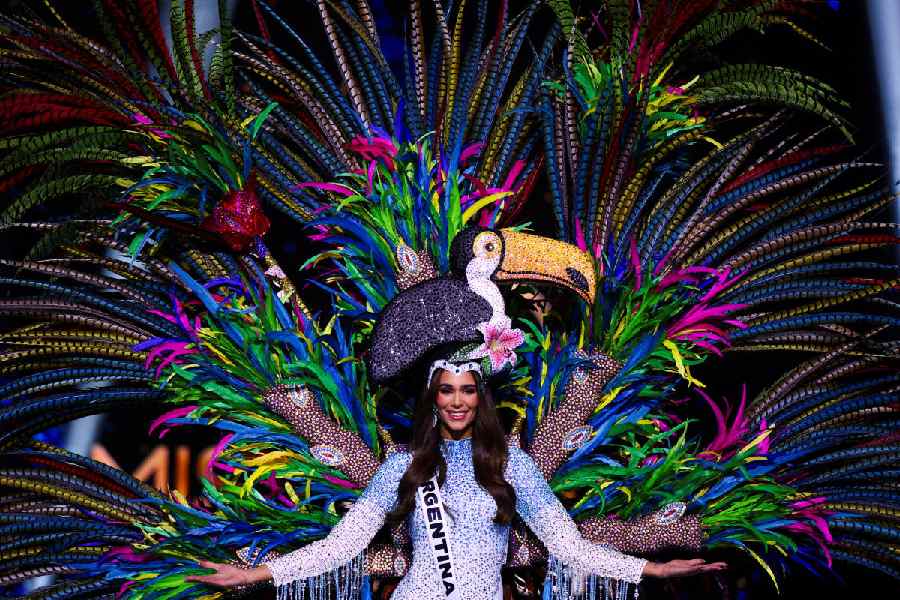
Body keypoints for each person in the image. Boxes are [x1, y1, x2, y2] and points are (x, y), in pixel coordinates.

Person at [187, 361, 727, 599]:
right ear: (434, 398)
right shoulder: (403, 465)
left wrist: (650, 568)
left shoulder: (513, 464)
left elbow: (568, 545)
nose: (458, 400)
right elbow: (342, 546)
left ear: (480, 397)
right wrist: (254, 576)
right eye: (447, 390)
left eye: (468, 390)